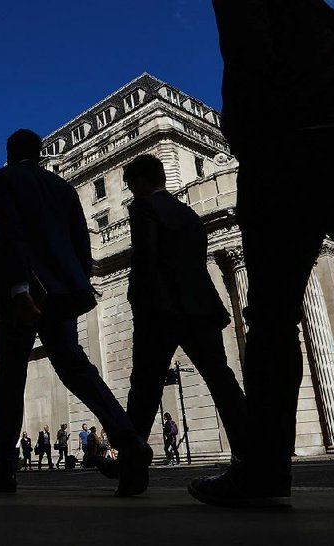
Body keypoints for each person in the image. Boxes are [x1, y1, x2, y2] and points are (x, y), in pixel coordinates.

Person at [192, 0, 334, 508]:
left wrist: (247, 145)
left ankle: (265, 477)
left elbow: (249, 62)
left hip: (286, 155)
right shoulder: (318, 10)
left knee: (271, 323)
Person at [0, 129, 152, 495]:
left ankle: (5, 470)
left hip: (22, 292)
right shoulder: (64, 188)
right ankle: (127, 437)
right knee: (77, 368)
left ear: (9, 154)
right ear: (39, 154)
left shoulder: (2, 179)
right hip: (62, 291)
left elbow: (11, 234)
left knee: (10, 381)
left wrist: (21, 288)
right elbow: (81, 244)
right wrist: (77, 284)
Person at [122, 153, 246, 454]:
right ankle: (251, 451)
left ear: (140, 182)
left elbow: (146, 258)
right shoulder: (188, 214)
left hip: (161, 310)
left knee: (144, 388)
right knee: (222, 380)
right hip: (201, 307)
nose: (130, 192)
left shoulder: (143, 207)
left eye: (130, 185)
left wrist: (137, 299)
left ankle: (130, 463)